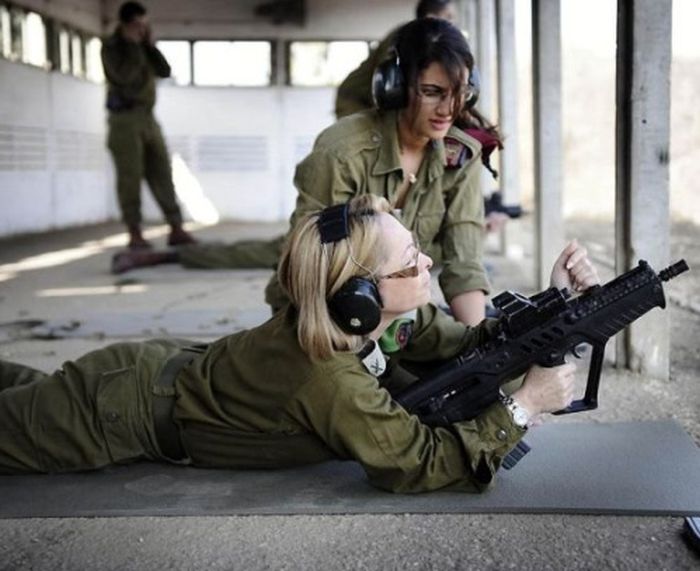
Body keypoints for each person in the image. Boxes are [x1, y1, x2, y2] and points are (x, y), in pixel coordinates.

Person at [0, 195, 600, 493]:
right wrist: (524, 407)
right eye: (409, 263)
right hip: (117, 409)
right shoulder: (327, 375)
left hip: (153, 372)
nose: (428, 263)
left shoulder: (372, 320)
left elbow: (463, 350)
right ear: (359, 297)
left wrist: (553, 304)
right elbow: (416, 462)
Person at [112, 18, 495, 327]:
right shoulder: (342, 151)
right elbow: (310, 270)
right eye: (431, 91)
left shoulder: (460, 155)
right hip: (322, 313)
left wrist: (478, 344)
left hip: (394, 313)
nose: (448, 108)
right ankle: (174, 257)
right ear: (395, 86)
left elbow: (464, 263)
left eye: (458, 92)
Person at [102, 1, 195, 250]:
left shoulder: (143, 45)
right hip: (124, 120)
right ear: (125, 24)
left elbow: (164, 71)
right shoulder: (112, 47)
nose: (142, 29)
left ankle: (175, 227)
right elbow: (124, 77)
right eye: (138, 25)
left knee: (162, 170)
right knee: (130, 177)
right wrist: (132, 45)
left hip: (148, 117)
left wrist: (149, 45)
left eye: (145, 25)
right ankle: (134, 232)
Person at [335, 0, 457, 119]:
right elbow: (386, 79)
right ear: (431, 17)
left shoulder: (428, 41)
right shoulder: (406, 36)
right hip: (356, 100)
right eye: (449, 16)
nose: (453, 23)